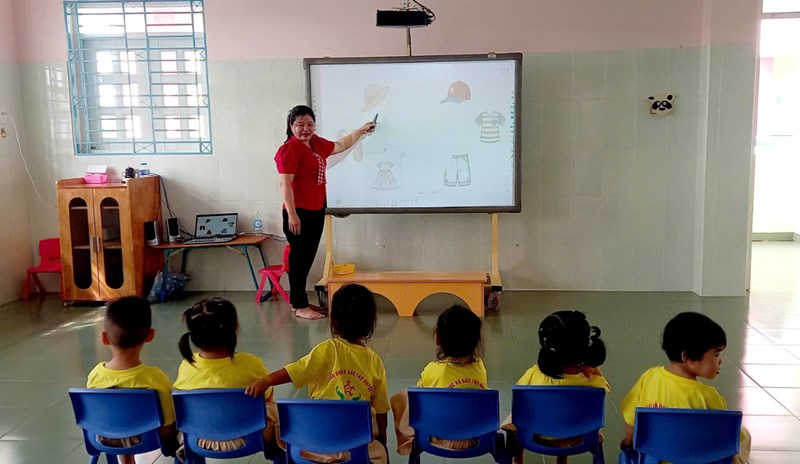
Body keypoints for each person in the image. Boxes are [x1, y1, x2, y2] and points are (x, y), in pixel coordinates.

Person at [246, 284, 389, 464]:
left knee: (282, 428)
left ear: (333, 320)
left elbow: (294, 371)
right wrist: (382, 438)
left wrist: (267, 380)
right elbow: (381, 409)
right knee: (379, 454)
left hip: (316, 444)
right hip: (356, 448)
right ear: (372, 321)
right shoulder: (375, 361)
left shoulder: (326, 350)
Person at [275, 105, 377, 320]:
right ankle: (299, 306)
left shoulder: (315, 143)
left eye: (310, 124)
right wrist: (292, 215)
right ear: (291, 126)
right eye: (300, 124)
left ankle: (299, 302)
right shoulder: (289, 150)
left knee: (307, 258)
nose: (305, 129)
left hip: (315, 209)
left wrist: (361, 131)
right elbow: (285, 185)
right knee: (299, 259)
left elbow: (340, 145)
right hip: (298, 213)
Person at [619, 312, 751, 464]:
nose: (720, 361)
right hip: (698, 459)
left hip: (654, 459)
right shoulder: (709, 397)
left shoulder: (648, 377)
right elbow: (720, 438)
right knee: (743, 434)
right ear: (686, 357)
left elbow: (630, 417)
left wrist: (629, 439)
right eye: (716, 354)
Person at [505, 310, 610, 464]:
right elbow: (604, 386)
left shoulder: (534, 374)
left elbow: (520, 395)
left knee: (519, 413)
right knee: (570, 410)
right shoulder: (594, 383)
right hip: (578, 436)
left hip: (536, 436)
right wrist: (594, 369)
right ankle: (562, 457)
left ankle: (517, 457)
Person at [173, 297, 277, 452]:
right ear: (235, 329)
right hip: (250, 437)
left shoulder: (186, 366)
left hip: (197, 438)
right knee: (274, 410)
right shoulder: (251, 363)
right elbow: (267, 397)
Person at [86, 296, 179, 464]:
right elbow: (167, 423)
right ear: (150, 336)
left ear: (104, 338)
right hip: (148, 439)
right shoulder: (155, 378)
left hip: (105, 438)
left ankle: (126, 460)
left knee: (120, 420)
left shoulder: (95, 375)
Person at [391, 304, 487, 455]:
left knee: (404, 397)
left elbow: (418, 400)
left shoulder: (432, 370)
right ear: (476, 341)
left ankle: (408, 441)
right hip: (475, 437)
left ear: (438, 338)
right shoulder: (480, 367)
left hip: (437, 437)